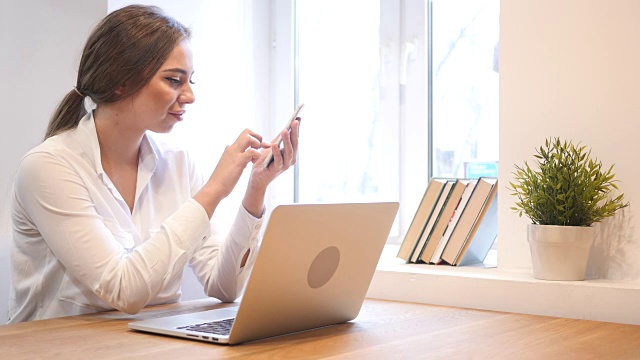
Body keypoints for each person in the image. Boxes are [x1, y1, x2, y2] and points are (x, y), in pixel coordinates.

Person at [8, 5, 300, 323]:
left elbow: (224, 286)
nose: (189, 96)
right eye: (175, 80)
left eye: (190, 81)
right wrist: (215, 189)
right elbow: (125, 290)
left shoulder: (178, 164)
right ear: (120, 81)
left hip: (151, 346)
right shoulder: (48, 168)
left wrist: (255, 188)